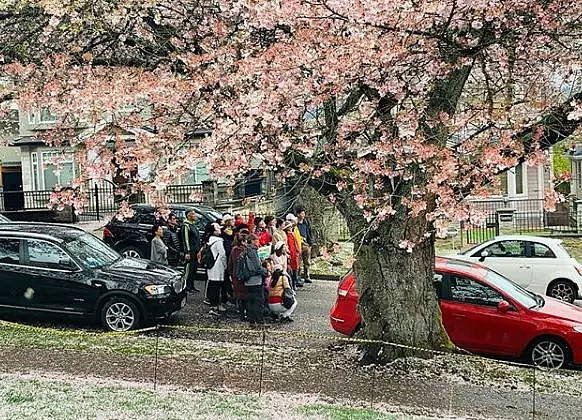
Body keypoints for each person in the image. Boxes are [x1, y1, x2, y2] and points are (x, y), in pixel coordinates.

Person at [242, 233, 267, 326]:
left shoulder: (246, 250)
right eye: (256, 240)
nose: (258, 242)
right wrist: (265, 271)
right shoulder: (252, 251)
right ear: (252, 241)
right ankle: (259, 321)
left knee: (251, 301)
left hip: (248, 279)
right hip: (255, 279)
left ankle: (252, 320)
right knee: (258, 301)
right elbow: (257, 267)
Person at [206, 222, 228, 316]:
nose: (220, 230)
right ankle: (215, 306)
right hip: (218, 266)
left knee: (212, 285)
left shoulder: (210, 240)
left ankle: (213, 305)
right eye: (218, 229)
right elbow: (222, 255)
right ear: (214, 231)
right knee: (217, 287)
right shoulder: (218, 241)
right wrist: (226, 265)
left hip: (211, 266)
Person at [228, 232, 248, 321]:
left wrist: (230, 274)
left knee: (239, 294)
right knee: (244, 294)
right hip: (244, 275)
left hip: (235, 275)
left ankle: (241, 313)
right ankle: (245, 312)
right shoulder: (245, 250)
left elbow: (230, 263)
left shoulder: (234, 250)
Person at [181, 209, 201, 292]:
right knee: (189, 269)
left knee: (194, 269)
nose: (195, 216)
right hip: (191, 251)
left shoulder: (193, 225)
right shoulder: (186, 226)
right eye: (193, 214)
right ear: (188, 216)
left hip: (196, 250)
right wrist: (187, 252)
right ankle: (187, 287)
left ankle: (192, 286)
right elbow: (185, 240)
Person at [296, 207, 314, 283]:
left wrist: (310, 242)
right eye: (302, 213)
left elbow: (309, 232)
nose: (303, 215)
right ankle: (298, 276)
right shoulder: (295, 223)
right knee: (299, 262)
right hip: (299, 244)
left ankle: (307, 276)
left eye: (304, 213)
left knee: (307, 261)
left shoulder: (306, 222)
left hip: (306, 244)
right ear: (298, 214)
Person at [284, 221, 300, 290]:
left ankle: (294, 283)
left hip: (294, 254)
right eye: (289, 227)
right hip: (290, 253)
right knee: (290, 269)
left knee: (295, 269)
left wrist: (297, 251)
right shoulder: (286, 235)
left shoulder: (292, 234)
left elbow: (296, 243)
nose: (291, 228)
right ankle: (291, 284)